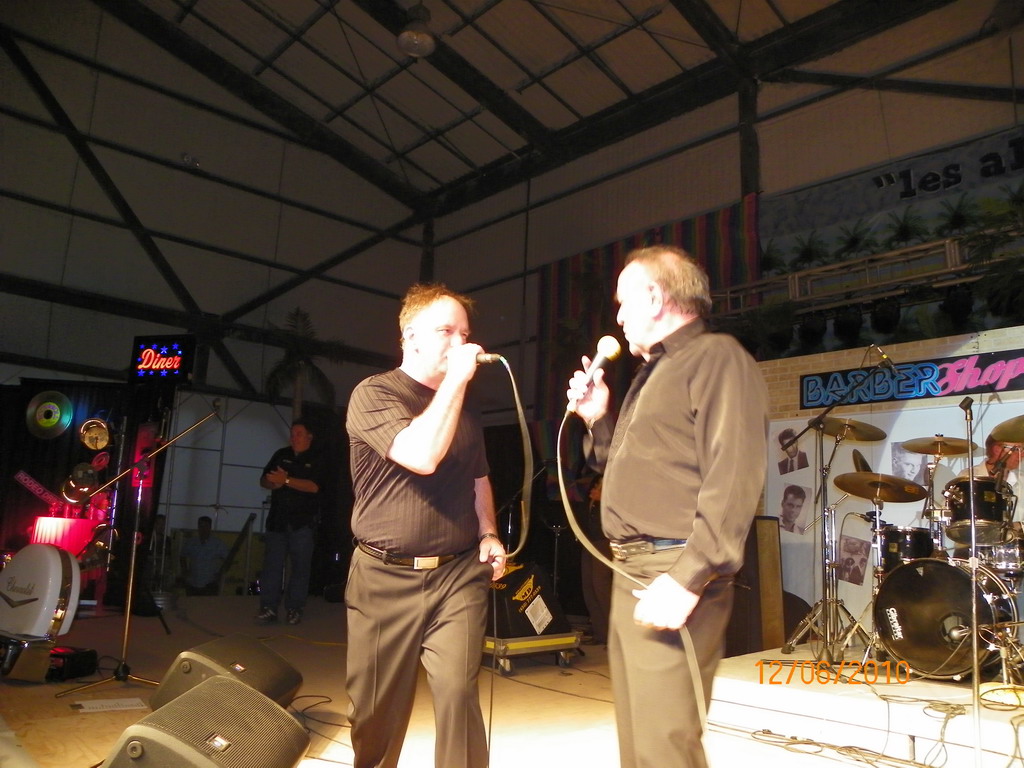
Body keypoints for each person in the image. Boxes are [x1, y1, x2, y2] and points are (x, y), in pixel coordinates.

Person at [566, 245, 768, 768]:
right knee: (640, 738)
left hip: (673, 567)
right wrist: (597, 418)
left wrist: (689, 577)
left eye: (623, 302)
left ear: (655, 297)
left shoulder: (716, 356)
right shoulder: (655, 372)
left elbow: (735, 473)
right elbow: (626, 466)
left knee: (665, 743)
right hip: (633, 568)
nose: (618, 316)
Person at [345, 283, 507, 768]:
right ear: (410, 336)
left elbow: (479, 477)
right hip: (383, 577)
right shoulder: (374, 394)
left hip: (457, 574)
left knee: (459, 693)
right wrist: (456, 382)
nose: (461, 344)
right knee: (376, 713)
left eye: (465, 335)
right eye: (446, 331)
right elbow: (421, 455)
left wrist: (489, 532)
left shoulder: (464, 411)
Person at [257, 419, 325, 626]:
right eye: (292, 433)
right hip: (277, 522)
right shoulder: (281, 454)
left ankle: (294, 608)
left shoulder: (317, 457)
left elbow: (314, 487)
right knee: (272, 567)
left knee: (300, 568)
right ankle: (268, 607)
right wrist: (273, 484)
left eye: (298, 434)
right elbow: (263, 480)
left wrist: (286, 481)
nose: (293, 437)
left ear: (309, 436)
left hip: (302, 523)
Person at [579, 474, 612, 645]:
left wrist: (603, 498)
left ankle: (613, 637)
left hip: (604, 541)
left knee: (601, 587)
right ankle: (600, 633)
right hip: (589, 541)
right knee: (589, 587)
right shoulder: (596, 478)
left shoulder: (616, 477)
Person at [179, 515, 228, 596]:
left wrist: (220, 573)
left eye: (206, 526)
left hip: (210, 584)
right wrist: (185, 570)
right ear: (198, 527)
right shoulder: (191, 542)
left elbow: (227, 559)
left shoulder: (217, 544)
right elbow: (182, 556)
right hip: (192, 583)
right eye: (201, 526)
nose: (203, 529)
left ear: (210, 527)